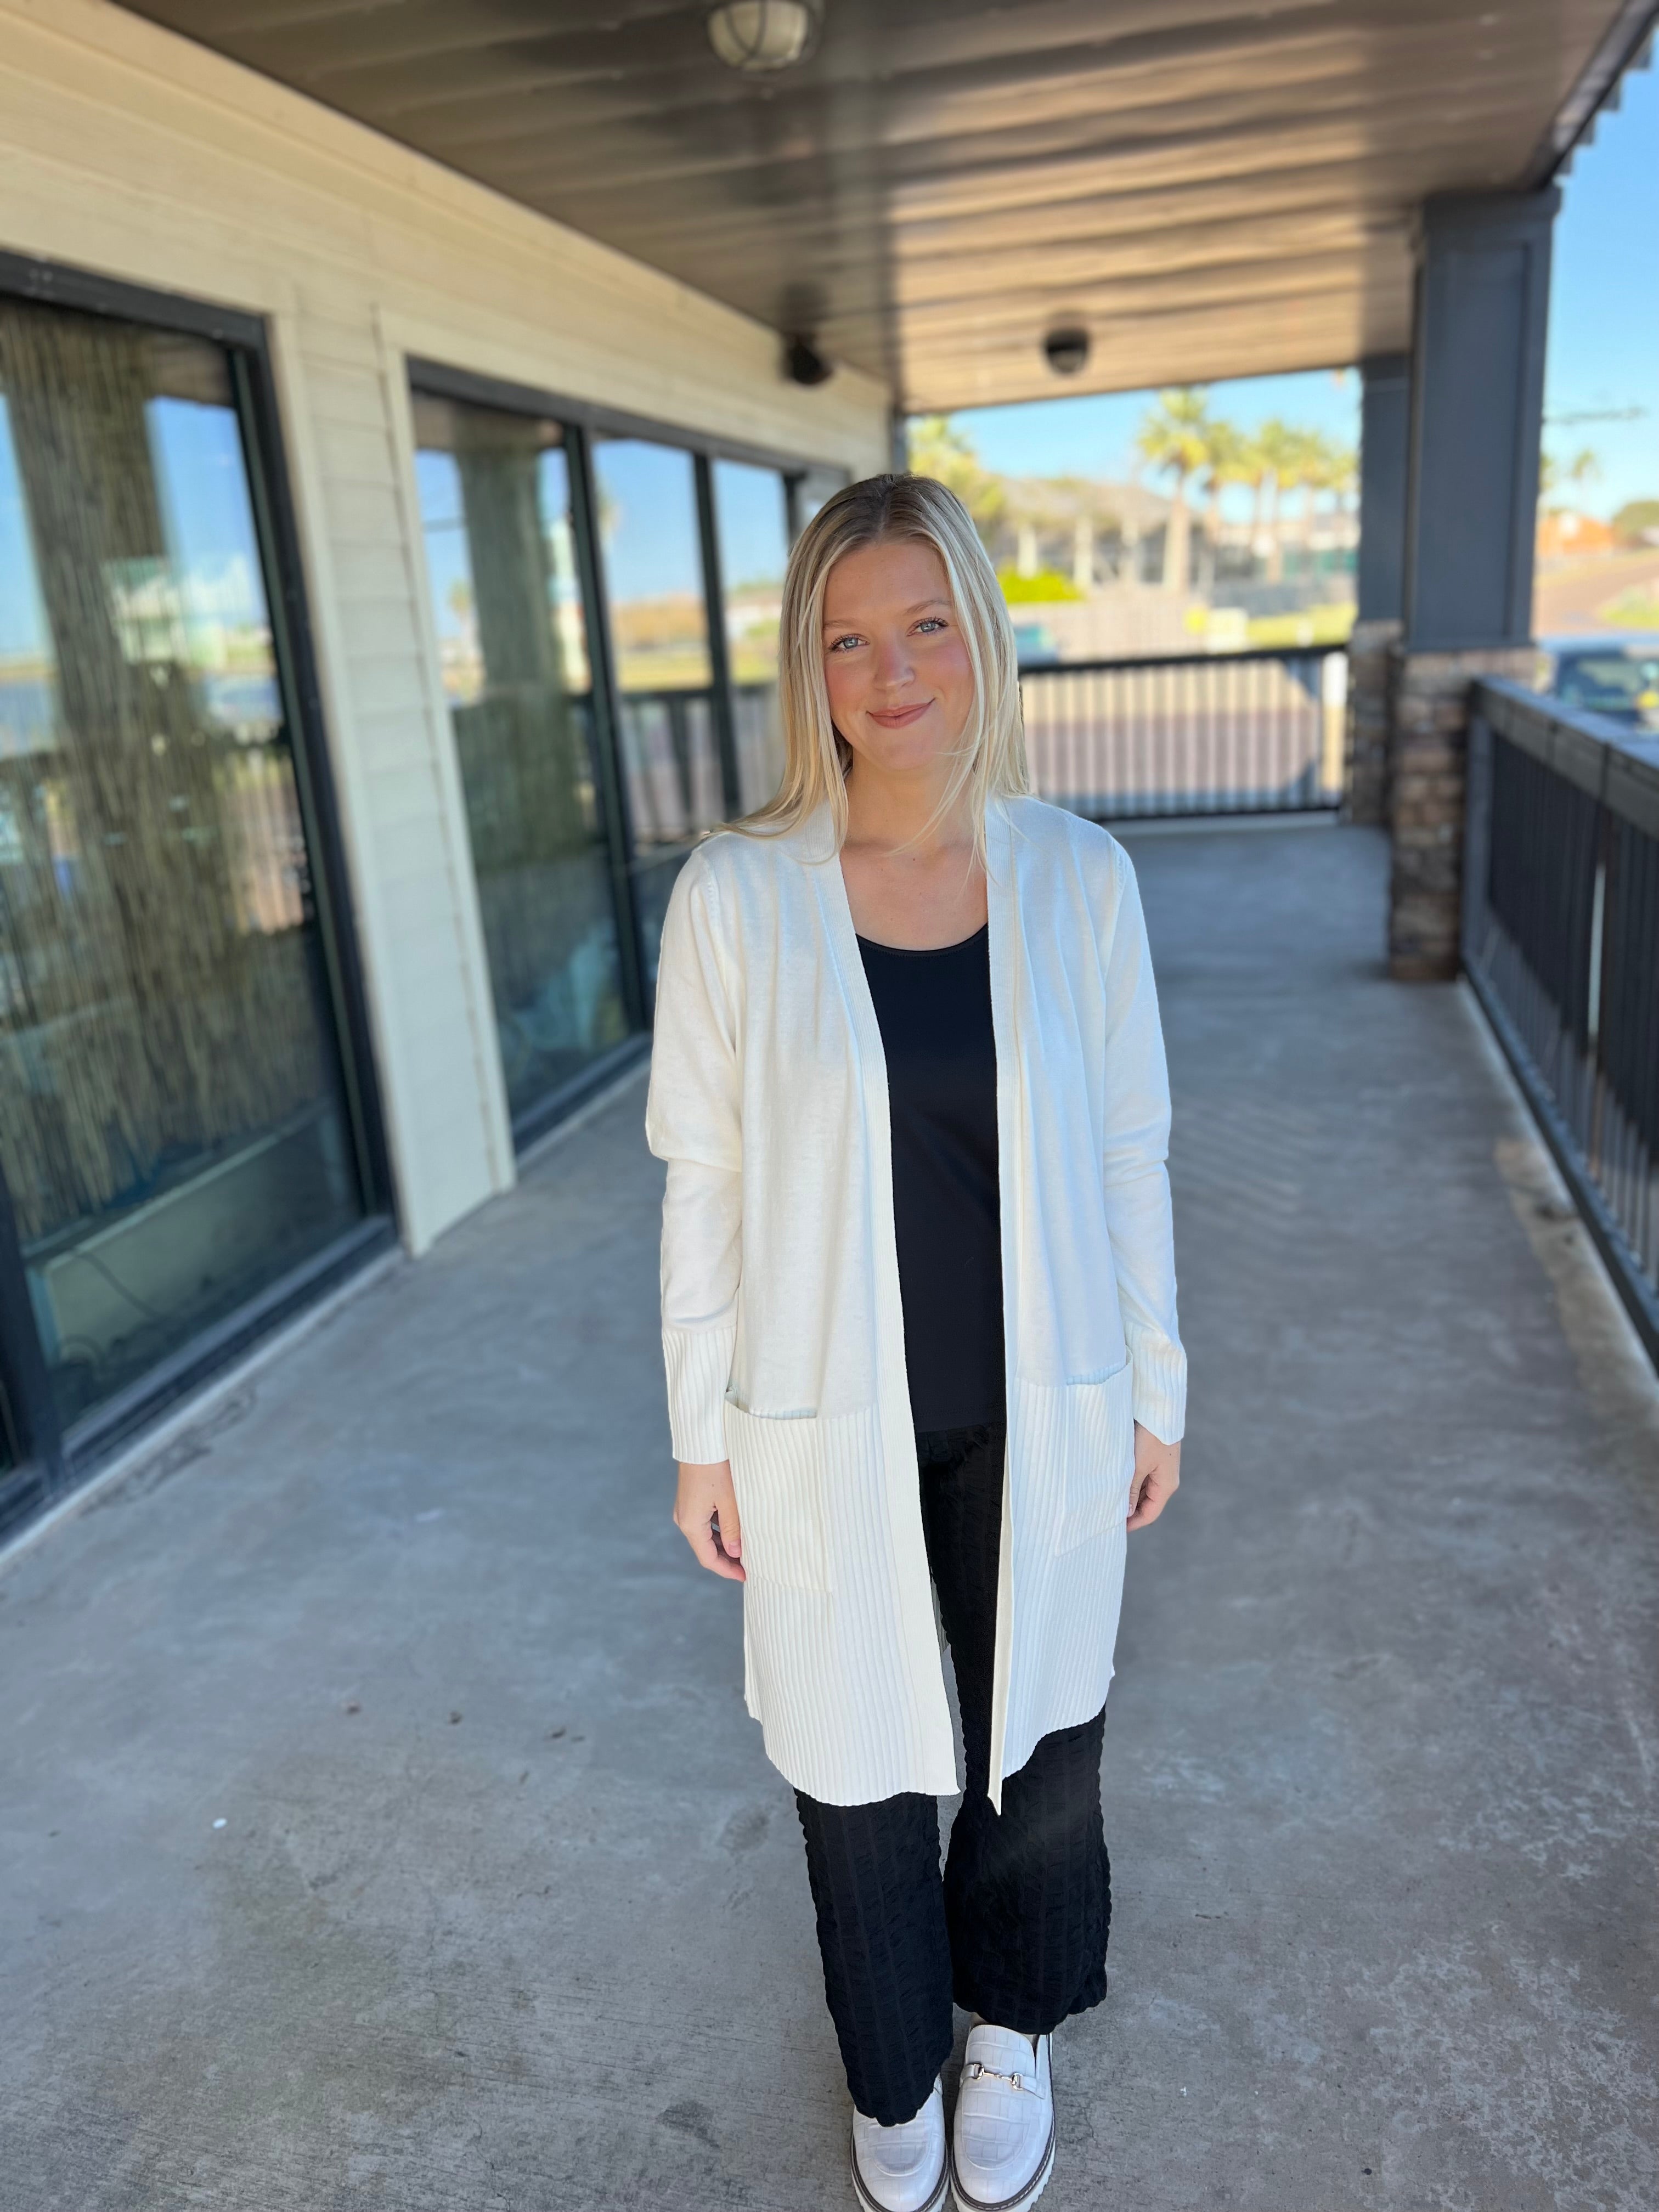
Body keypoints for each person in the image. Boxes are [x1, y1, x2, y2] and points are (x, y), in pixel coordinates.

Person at [644, 473, 1184, 2212]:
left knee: (1043, 1737)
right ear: (808, 670)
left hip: (1048, 1401)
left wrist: (1157, 1389)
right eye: (849, 640)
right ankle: (894, 2071)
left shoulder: (1078, 878)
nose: (892, 674)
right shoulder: (737, 896)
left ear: (981, 636)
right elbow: (705, 1179)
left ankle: (1008, 2027)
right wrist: (702, 1431)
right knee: (853, 1757)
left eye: (926, 625)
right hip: (824, 1412)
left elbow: (1129, 1151)